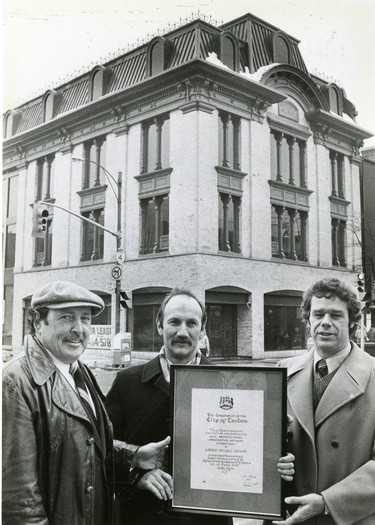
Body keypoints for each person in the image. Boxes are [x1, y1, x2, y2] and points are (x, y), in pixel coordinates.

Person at [106, 288, 294, 525]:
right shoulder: (127, 382)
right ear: (160, 325)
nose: (182, 332)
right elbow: (102, 447)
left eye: (191, 323)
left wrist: (273, 447)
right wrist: (136, 476)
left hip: (207, 519)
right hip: (142, 515)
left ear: (203, 329)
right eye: (174, 322)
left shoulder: (233, 384)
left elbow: (249, 456)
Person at [2, 281, 170, 525]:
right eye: (66, 318)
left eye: (85, 319)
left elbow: (85, 446)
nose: (78, 329)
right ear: (38, 322)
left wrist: (132, 457)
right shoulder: (15, 383)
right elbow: (20, 501)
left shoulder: (79, 372)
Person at [273, 278, 375, 525]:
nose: (325, 322)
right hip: (288, 517)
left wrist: (328, 502)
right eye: (318, 314)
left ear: (352, 321)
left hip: (350, 517)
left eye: (336, 315)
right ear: (308, 319)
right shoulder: (281, 371)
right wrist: (271, 461)